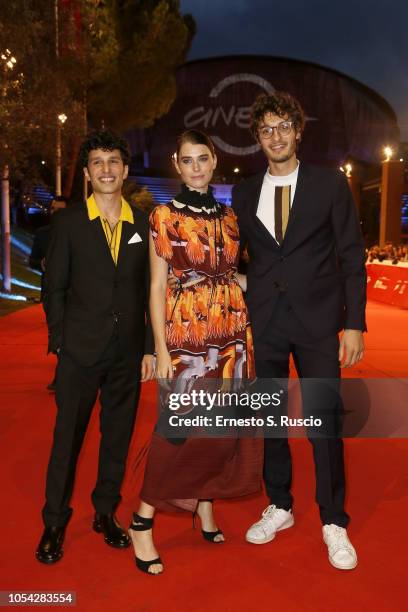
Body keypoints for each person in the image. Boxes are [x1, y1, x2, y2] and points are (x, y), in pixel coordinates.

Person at [232, 92, 366, 570]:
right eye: (266, 129)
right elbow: (241, 257)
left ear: (298, 130)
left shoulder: (330, 185)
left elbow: (351, 255)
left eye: (283, 126)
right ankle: (281, 505)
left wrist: (353, 323)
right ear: (257, 139)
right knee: (269, 420)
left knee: (323, 423)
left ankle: (333, 520)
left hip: (317, 323)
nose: (276, 136)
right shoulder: (244, 192)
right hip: (264, 320)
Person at [129, 129, 263, 575]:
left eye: (203, 158)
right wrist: (160, 350)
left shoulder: (230, 217)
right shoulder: (163, 217)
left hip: (229, 331)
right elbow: (154, 285)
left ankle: (204, 502)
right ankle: (141, 520)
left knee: (222, 426)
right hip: (186, 334)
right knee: (180, 428)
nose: (197, 167)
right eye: (187, 160)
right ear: (177, 163)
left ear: (213, 160)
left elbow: (234, 276)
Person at [35, 129, 154, 564]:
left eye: (113, 162)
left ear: (125, 170)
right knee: (66, 440)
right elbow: (55, 288)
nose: (106, 170)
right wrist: (62, 341)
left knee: (117, 438)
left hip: (126, 354)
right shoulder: (67, 224)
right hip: (79, 353)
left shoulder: (142, 224)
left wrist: (148, 348)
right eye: (98, 163)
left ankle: (105, 513)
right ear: (87, 173)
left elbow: (147, 292)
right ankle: (54, 521)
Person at [29, 196, 67, 391]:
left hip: (76, 295)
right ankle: (63, 375)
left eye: (60, 209)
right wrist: (41, 264)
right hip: (50, 294)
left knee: (70, 335)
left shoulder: (78, 232)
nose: (56, 212)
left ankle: (63, 377)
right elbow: (32, 261)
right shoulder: (42, 234)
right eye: (53, 208)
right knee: (56, 335)